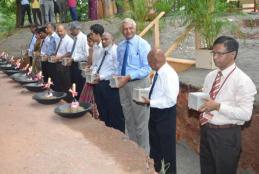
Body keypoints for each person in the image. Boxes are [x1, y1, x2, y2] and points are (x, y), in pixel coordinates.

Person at [199, 36, 257, 174]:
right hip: (207, 130)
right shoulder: (211, 76)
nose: (215, 57)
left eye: (220, 53)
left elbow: (246, 114)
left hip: (226, 135)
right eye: (213, 53)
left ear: (233, 54)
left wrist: (218, 106)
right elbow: (207, 99)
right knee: (207, 169)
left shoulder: (243, 81)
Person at [116, 18, 151, 152]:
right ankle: (133, 147)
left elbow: (147, 68)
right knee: (128, 117)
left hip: (139, 84)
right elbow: (119, 65)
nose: (128, 31)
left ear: (135, 29)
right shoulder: (120, 46)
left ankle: (144, 154)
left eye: (131, 28)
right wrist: (117, 77)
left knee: (141, 121)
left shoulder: (142, 44)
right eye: (125, 29)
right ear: (122, 30)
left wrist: (129, 76)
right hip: (123, 85)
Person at [142, 48, 179, 174]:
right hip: (156, 112)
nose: (148, 65)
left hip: (165, 114)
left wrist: (150, 102)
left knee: (166, 148)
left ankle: (169, 172)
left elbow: (170, 100)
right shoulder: (159, 72)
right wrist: (145, 92)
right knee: (156, 145)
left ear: (154, 61)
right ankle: (156, 169)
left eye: (149, 62)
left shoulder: (168, 74)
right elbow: (156, 89)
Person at [92, 32, 125, 132]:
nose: (103, 41)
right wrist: (93, 73)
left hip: (110, 85)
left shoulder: (116, 51)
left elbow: (116, 70)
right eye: (102, 39)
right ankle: (106, 130)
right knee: (102, 109)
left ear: (113, 40)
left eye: (106, 39)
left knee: (114, 111)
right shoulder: (102, 50)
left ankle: (119, 133)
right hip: (98, 84)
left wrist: (101, 76)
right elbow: (97, 64)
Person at [79, 33, 99, 118]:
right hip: (90, 75)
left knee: (93, 97)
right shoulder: (91, 49)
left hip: (95, 75)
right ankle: (88, 111)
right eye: (87, 41)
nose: (88, 43)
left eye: (90, 41)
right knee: (87, 96)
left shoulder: (96, 49)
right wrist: (87, 67)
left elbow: (92, 62)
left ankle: (94, 113)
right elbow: (89, 63)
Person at [69, 21, 88, 99]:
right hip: (73, 64)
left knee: (79, 84)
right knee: (74, 84)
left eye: (71, 30)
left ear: (76, 29)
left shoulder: (84, 38)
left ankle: (80, 101)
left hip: (80, 65)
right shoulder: (75, 38)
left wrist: (74, 58)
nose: (70, 32)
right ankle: (75, 99)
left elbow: (86, 55)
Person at [53, 24, 73, 94]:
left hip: (64, 64)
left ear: (65, 30)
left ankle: (68, 98)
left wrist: (59, 58)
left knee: (66, 83)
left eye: (61, 31)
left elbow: (69, 53)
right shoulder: (59, 39)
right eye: (58, 31)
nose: (59, 33)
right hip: (58, 63)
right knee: (59, 82)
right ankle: (61, 96)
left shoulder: (69, 40)